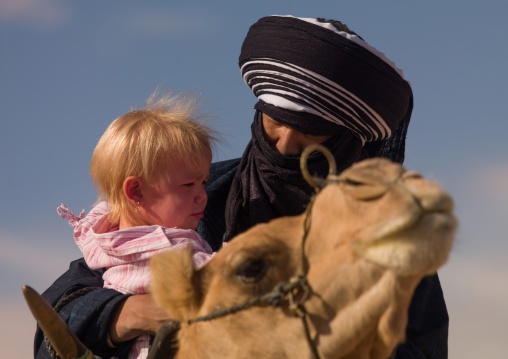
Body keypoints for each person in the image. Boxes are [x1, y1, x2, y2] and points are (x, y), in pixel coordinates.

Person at [34, 16, 448, 359]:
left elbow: (422, 348)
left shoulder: (390, 242)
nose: (285, 143)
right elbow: (58, 316)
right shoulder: (197, 194)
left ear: (346, 140)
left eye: (311, 133)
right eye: (275, 121)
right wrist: (137, 313)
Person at [40, 92, 220, 359]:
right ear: (136, 192)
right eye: (188, 185)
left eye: (204, 182)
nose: (202, 195)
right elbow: (204, 279)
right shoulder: (151, 248)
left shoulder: (111, 246)